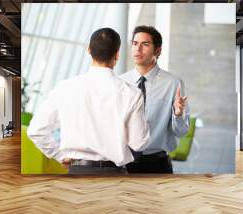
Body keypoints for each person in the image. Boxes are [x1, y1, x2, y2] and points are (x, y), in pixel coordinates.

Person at [27, 27, 150, 175]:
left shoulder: (65, 87)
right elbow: (139, 143)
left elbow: (36, 130)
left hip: (77, 173)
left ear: (89, 50)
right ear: (117, 54)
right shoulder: (132, 93)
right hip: (114, 175)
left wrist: (59, 156)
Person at [120, 25, 190, 174]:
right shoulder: (121, 83)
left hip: (157, 164)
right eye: (135, 43)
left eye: (145, 44)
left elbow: (182, 132)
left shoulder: (173, 83)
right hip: (123, 163)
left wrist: (178, 115)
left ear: (157, 51)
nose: (138, 49)